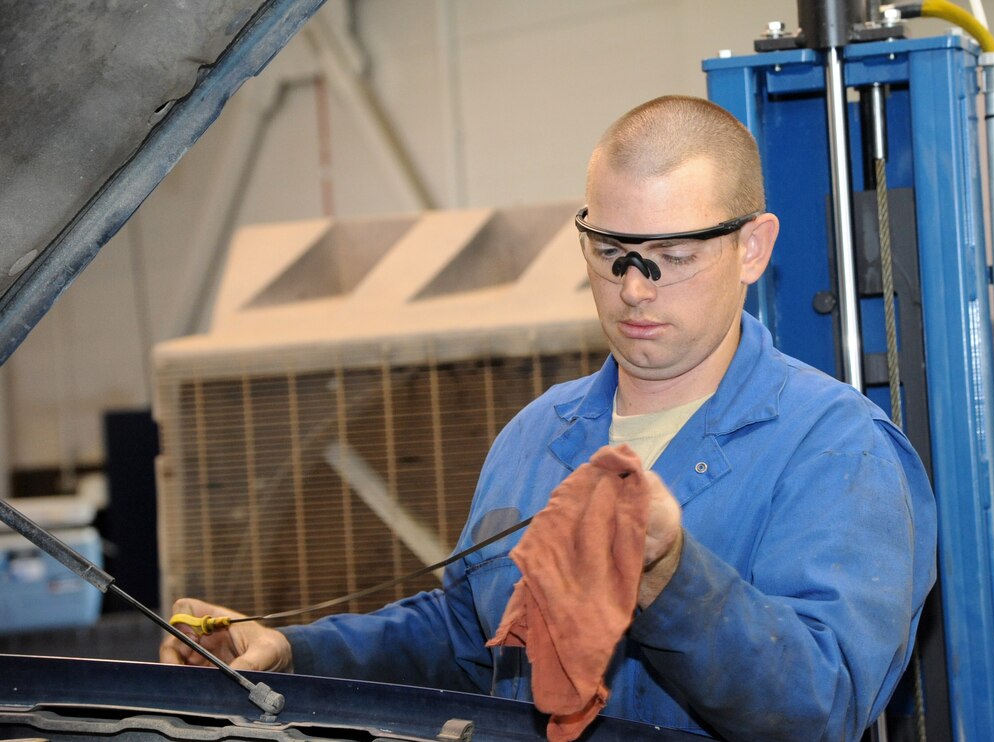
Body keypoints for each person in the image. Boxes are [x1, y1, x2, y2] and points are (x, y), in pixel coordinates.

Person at [162, 95, 938, 741]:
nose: (634, 288)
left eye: (671, 255)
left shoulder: (837, 451)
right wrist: (289, 650)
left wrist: (672, 578)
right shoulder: (537, 435)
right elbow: (466, 642)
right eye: (611, 251)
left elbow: (822, 710)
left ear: (752, 247)